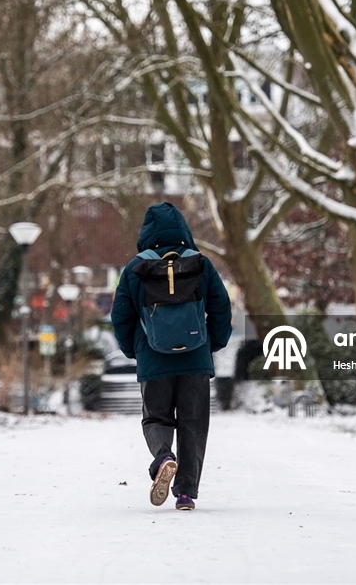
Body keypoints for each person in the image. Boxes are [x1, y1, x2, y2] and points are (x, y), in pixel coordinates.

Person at [111, 202, 232, 511]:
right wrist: (213, 344)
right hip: (195, 359)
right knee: (193, 424)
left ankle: (164, 456)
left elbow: (121, 316)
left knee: (156, 417)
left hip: (153, 358)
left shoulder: (135, 269)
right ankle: (186, 493)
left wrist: (133, 350)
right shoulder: (201, 264)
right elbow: (221, 308)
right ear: (183, 231)